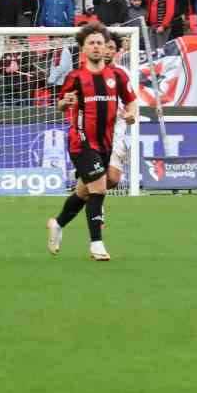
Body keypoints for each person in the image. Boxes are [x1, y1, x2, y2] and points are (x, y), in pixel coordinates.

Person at [46, 24, 137, 262]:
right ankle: (97, 244)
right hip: (81, 142)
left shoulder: (117, 76)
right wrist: (65, 102)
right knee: (99, 189)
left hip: (105, 143)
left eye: (100, 43)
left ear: (106, 47)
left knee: (84, 192)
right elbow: (61, 104)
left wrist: (131, 114)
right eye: (91, 43)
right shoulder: (75, 77)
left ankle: (58, 223)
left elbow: (131, 100)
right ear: (83, 49)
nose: (96, 47)